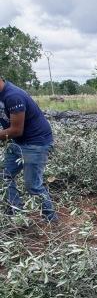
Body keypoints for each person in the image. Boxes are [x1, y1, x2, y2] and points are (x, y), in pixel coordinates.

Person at [0, 75, 58, 222]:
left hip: (36, 143)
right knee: (4, 176)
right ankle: (16, 212)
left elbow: (16, 130)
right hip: (19, 142)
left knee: (32, 185)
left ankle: (51, 219)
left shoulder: (13, 96)